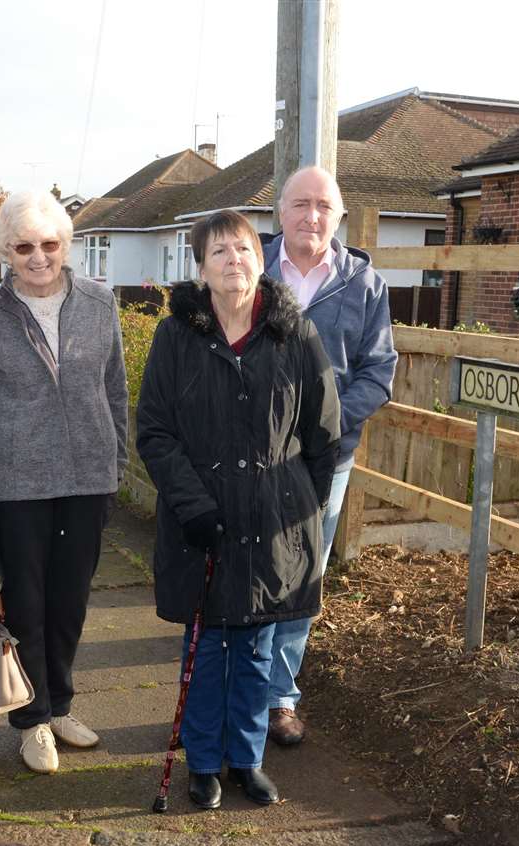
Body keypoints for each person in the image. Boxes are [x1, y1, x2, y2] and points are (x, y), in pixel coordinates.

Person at [136, 210, 340, 809]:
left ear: (261, 259)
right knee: (204, 648)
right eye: (220, 252)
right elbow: (155, 432)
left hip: (273, 527)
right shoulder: (177, 338)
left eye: (245, 250)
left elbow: (323, 432)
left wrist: (302, 504)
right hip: (202, 525)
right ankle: (203, 764)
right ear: (200, 268)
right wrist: (191, 504)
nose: (234, 261)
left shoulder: (293, 332)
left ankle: (247, 760)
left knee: (258, 649)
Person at [0, 191, 128, 774]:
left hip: (87, 478)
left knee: (71, 602)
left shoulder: (100, 303)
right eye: (24, 247)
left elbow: (115, 392)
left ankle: (60, 705)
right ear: (5, 251)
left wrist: (117, 466)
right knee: (26, 604)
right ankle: (30, 721)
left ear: (67, 245)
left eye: (50, 244)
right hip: (16, 482)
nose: (38, 257)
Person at [260, 166, 398, 747]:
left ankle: (279, 697)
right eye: (300, 204)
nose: (311, 216)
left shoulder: (364, 285)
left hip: (325, 461)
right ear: (280, 212)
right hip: (249, 457)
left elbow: (379, 371)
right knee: (243, 569)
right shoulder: (248, 266)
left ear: (339, 216)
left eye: (323, 205)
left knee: (301, 575)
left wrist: (325, 427)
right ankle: (235, 686)